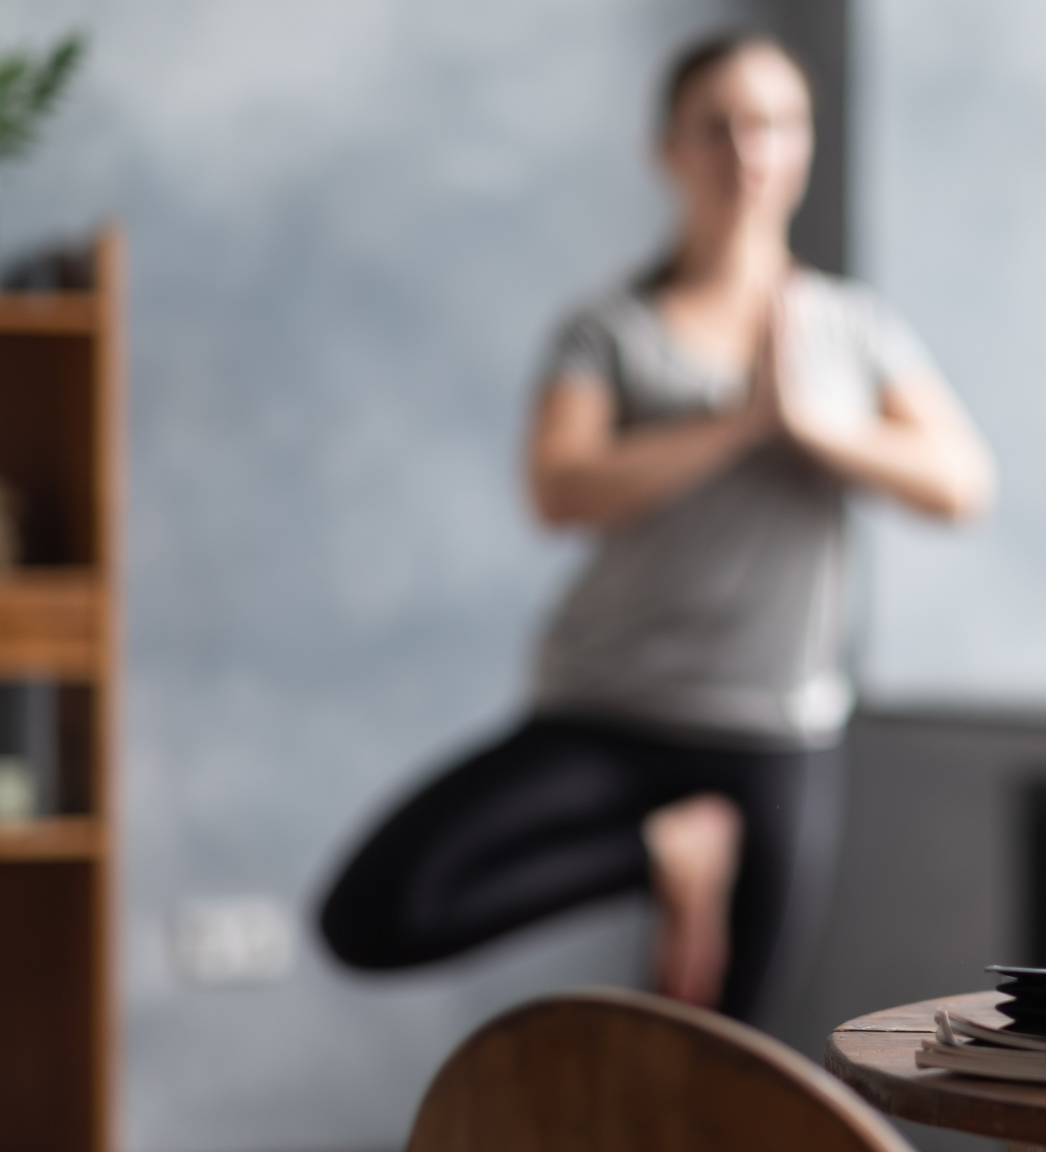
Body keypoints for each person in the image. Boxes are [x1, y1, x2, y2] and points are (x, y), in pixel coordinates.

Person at [318, 31, 993, 1021]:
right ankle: (663, 853)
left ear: (801, 147)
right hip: (608, 709)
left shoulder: (853, 334)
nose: (745, 151)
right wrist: (738, 423)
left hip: (774, 736)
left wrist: (815, 428)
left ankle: (689, 860)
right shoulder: (608, 329)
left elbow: (959, 485)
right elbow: (560, 487)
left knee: (726, 1060)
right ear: (666, 152)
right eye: (715, 128)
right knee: (376, 913)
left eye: (770, 125)